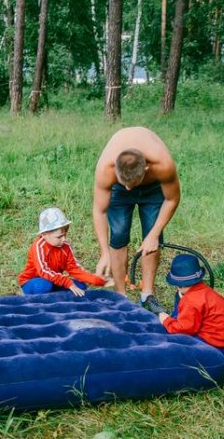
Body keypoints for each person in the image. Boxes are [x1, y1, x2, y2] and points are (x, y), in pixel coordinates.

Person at [93, 126, 181, 314]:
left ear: (146, 169)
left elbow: (172, 199)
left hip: (153, 188)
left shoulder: (162, 164)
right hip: (118, 190)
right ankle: (120, 296)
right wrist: (104, 253)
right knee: (118, 234)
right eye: (125, 183)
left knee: (152, 238)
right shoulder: (106, 168)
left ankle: (147, 296)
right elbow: (99, 210)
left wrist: (154, 234)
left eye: (132, 184)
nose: (129, 189)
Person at [152, 254, 224, 356]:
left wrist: (166, 320)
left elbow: (185, 330)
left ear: (179, 285)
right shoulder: (205, 290)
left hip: (216, 346)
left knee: (174, 343)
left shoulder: (190, 301)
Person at [18, 207, 113, 296]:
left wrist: (98, 280)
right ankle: (32, 297)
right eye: (59, 237)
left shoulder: (65, 246)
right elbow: (43, 271)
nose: (64, 239)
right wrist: (68, 283)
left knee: (81, 286)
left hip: (53, 280)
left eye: (65, 235)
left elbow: (75, 269)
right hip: (33, 281)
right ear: (44, 234)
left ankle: (54, 296)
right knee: (44, 285)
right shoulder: (39, 246)